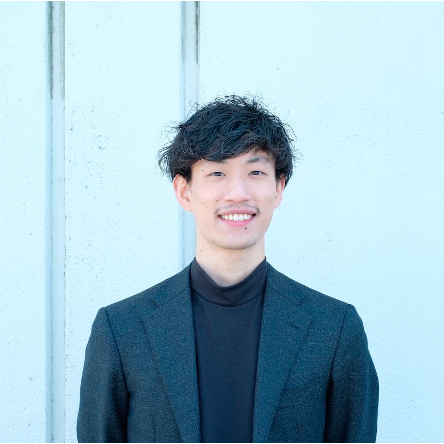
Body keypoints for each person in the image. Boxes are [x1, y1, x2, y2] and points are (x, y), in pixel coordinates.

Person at [77, 95, 379, 443]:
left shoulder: (334, 329)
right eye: (217, 173)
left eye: (255, 172)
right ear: (184, 191)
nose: (237, 193)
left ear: (278, 188)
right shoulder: (121, 330)